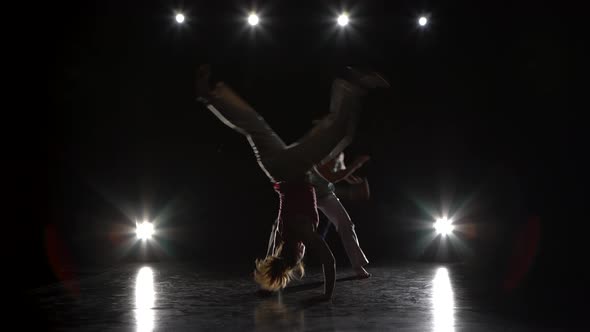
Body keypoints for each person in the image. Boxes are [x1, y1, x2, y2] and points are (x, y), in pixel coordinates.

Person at [196, 65, 389, 300]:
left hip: (291, 169)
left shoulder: (302, 233)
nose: (304, 253)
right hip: (273, 169)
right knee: (253, 125)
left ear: (298, 252)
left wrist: (327, 295)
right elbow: (273, 247)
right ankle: (210, 97)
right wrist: (269, 282)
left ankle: (349, 85)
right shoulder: (283, 233)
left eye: (301, 256)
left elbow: (329, 260)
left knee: (340, 133)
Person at [308, 151, 371, 278]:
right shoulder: (322, 151)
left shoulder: (340, 152)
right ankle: (274, 268)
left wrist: (353, 180)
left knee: (347, 225)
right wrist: (356, 164)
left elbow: (341, 170)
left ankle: (358, 266)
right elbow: (331, 177)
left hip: (326, 195)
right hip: (307, 194)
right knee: (288, 228)